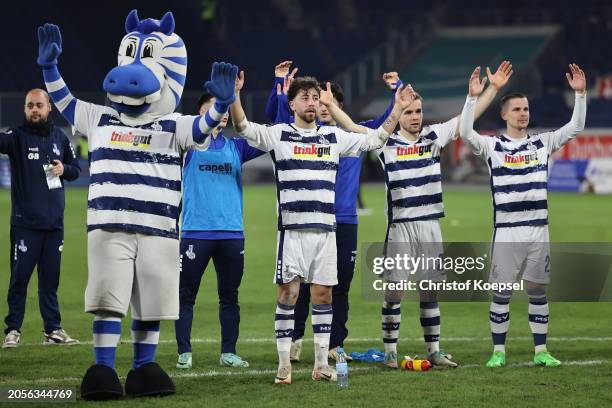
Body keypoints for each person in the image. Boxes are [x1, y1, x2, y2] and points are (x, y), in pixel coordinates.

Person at [37, 12, 237, 399]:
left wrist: (222, 104)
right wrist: (50, 68)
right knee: (109, 301)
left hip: (158, 230)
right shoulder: (102, 116)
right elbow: (66, 102)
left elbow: (202, 127)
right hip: (109, 225)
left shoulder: (174, 124)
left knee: (151, 302)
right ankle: (104, 368)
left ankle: (144, 367)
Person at [230, 68, 416, 384]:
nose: (312, 102)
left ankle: (320, 365)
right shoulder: (279, 134)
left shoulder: (332, 136)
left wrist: (397, 108)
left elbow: (374, 139)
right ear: (291, 104)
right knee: (288, 295)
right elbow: (243, 126)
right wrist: (233, 95)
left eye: (316, 97)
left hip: (326, 232)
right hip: (292, 232)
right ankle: (284, 365)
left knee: (323, 296)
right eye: (305, 97)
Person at [328, 61, 513, 369]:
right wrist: (329, 105)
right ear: (399, 113)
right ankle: (389, 352)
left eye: (418, 112)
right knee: (394, 291)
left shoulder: (433, 137)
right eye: (409, 112)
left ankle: (434, 351)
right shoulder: (385, 142)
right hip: (401, 227)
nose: (414, 117)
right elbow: (351, 127)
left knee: (430, 290)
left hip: (430, 225)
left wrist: (491, 89)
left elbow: (467, 119)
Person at [266, 61, 399, 363]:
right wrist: (279, 88)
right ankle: (296, 338)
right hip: (308, 220)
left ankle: (335, 345)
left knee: (339, 287)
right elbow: (276, 121)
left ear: (339, 108)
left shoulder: (347, 139)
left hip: (345, 221)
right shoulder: (308, 136)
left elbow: (383, 126)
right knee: (299, 284)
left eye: (329, 102)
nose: (322, 107)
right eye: (317, 101)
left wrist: (396, 90)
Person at [459, 64, 586, 368]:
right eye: (516, 109)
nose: (522, 113)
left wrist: (580, 94)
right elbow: (464, 132)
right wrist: (472, 99)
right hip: (507, 231)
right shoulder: (493, 146)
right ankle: (498, 352)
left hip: (538, 231)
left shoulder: (541, 143)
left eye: (525, 108)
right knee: (501, 293)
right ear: (504, 114)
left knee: (537, 291)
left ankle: (541, 350)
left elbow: (575, 128)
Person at [175, 90, 265, 369]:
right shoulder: (186, 147)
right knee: (185, 296)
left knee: (230, 297)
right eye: (217, 107)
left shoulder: (236, 147)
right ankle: (184, 352)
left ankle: (228, 352)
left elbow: (271, 134)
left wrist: (277, 89)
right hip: (195, 233)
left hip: (231, 235)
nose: (224, 112)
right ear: (201, 114)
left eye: (225, 107)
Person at [1, 89, 81, 348]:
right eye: (29, 106)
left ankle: (52, 331)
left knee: (50, 281)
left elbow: (75, 170)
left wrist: (63, 169)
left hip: (54, 225)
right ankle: (13, 330)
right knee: (19, 280)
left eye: (38, 105)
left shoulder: (59, 136)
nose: (34, 110)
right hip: (26, 225)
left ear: (49, 108)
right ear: (24, 110)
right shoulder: (16, 137)